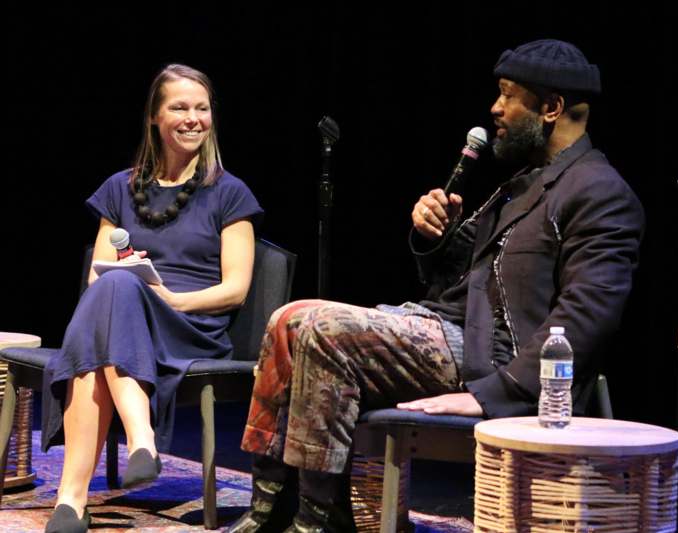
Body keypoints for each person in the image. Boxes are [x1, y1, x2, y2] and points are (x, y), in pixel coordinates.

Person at [230, 38, 645, 533]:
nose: (495, 108)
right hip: (443, 326)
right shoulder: (522, 184)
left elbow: (585, 317)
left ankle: (317, 521)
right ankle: (270, 508)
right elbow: (459, 282)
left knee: (322, 328)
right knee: (287, 319)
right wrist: (436, 238)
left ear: (552, 108)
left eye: (508, 95)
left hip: (492, 356)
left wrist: (496, 392)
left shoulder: (600, 191)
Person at [41, 64, 263, 533]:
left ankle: (79, 490)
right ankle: (98, 479)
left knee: (109, 308)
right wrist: (137, 287)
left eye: (201, 108)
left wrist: (169, 299)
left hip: (190, 324)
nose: (192, 118)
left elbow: (236, 288)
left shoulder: (229, 193)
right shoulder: (120, 188)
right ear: (154, 119)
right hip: (125, 316)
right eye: (179, 107)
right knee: (115, 289)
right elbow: (97, 277)